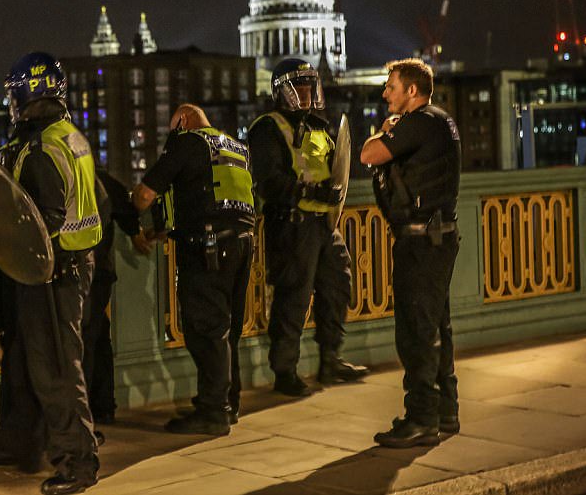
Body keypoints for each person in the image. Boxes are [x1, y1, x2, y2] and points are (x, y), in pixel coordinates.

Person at [0, 52, 101, 495]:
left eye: (13, 96)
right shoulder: (69, 137)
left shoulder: (42, 150)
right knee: (45, 366)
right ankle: (34, 443)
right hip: (76, 265)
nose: (10, 105)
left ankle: (78, 464)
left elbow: (42, 220)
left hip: (52, 275)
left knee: (56, 373)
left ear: (27, 94)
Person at [247, 58, 368, 398]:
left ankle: (331, 359)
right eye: (297, 85)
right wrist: (310, 192)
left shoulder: (319, 126)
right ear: (281, 91)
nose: (305, 92)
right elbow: (269, 182)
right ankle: (285, 371)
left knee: (337, 286)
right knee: (292, 299)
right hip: (291, 227)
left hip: (325, 225)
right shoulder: (267, 127)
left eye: (308, 84)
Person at [132, 104, 255, 436]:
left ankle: (212, 412)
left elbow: (145, 195)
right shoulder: (234, 147)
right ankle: (229, 403)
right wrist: (163, 231)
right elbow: (209, 195)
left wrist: (130, 214)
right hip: (243, 245)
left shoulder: (188, 142)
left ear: (182, 122)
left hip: (207, 248)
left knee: (206, 330)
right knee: (228, 328)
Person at [360, 58, 461, 448]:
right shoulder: (442, 121)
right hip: (438, 237)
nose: (385, 93)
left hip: (421, 241)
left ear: (412, 92)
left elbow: (369, 155)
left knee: (416, 332)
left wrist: (383, 131)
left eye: (391, 86)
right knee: (438, 327)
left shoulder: (418, 122)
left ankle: (421, 418)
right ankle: (446, 411)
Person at [82, 168, 151, 425]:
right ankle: (103, 407)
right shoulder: (95, 175)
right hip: (100, 269)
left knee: (84, 341)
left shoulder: (61, 172)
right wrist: (134, 231)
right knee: (97, 336)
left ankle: (85, 411)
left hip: (80, 270)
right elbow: (122, 201)